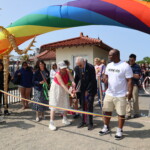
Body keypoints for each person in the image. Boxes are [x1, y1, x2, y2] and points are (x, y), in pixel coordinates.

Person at [99, 49, 133, 140]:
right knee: (107, 111)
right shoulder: (109, 65)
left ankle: (119, 130)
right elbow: (106, 76)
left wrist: (130, 92)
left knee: (121, 114)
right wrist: (104, 79)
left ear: (116, 55)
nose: (109, 57)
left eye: (110, 55)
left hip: (121, 94)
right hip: (109, 93)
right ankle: (106, 127)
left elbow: (130, 80)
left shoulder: (125, 66)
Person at [49, 61, 75, 131]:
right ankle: (51, 123)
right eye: (62, 68)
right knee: (54, 104)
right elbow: (63, 85)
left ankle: (64, 118)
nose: (64, 69)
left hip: (64, 87)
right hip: (56, 88)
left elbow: (71, 78)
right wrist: (70, 93)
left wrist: (73, 82)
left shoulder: (67, 70)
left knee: (65, 102)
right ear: (59, 68)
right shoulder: (57, 74)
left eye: (65, 67)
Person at [74, 57, 97, 130]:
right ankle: (83, 121)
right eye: (78, 65)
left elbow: (92, 80)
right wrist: (74, 87)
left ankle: (90, 123)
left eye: (80, 65)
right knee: (83, 105)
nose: (79, 67)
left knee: (89, 105)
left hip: (91, 88)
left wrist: (88, 90)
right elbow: (77, 79)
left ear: (84, 62)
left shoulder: (90, 67)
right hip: (82, 89)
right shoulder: (77, 68)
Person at [126, 54, 141, 119]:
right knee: (127, 99)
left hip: (134, 85)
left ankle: (136, 113)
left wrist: (130, 74)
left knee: (135, 99)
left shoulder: (137, 67)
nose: (130, 61)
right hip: (126, 85)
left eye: (132, 60)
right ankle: (128, 113)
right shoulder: (126, 66)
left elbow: (137, 76)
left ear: (134, 60)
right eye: (129, 59)